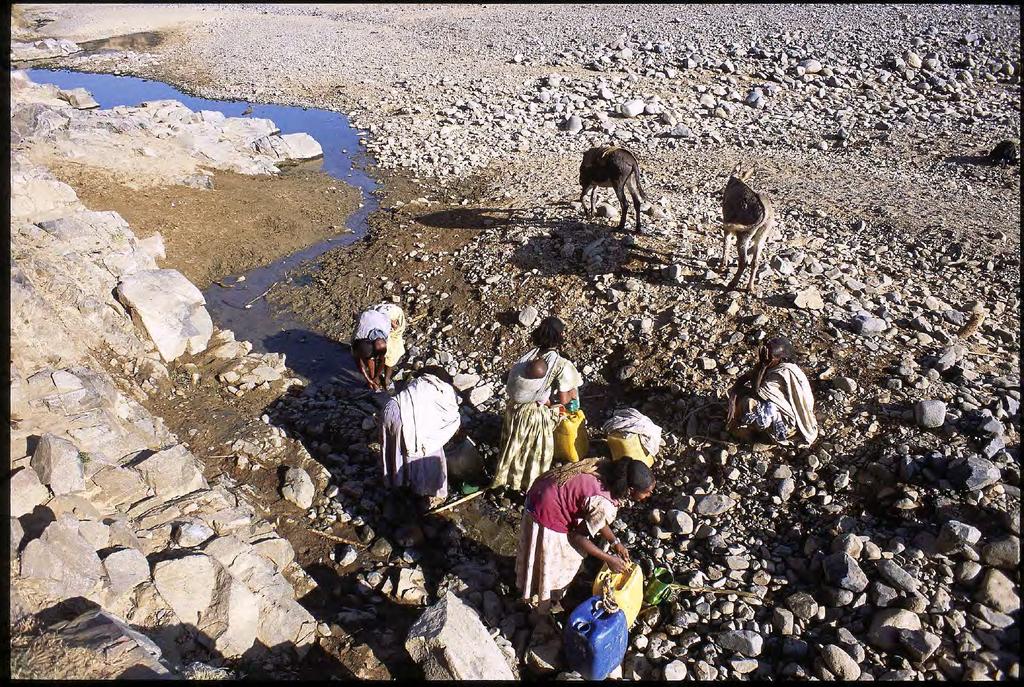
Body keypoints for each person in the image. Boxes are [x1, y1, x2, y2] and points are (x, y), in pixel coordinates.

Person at [517, 458, 655, 617]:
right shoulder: (605, 504)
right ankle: (545, 600)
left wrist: (615, 542)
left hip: (542, 490)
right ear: (630, 489)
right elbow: (576, 537)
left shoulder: (605, 469)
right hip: (546, 510)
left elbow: (594, 514)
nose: (649, 495)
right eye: (646, 492)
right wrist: (608, 559)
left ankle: (534, 581)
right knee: (565, 558)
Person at [491, 316, 584, 492]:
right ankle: (529, 486)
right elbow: (565, 400)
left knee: (513, 446)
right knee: (537, 452)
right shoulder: (560, 364)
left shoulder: (530, 355)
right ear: (561, 335)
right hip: (531, 415)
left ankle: (505, 479)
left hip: (514, 409)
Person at [379, 366, 460, 508]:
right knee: (428, 451)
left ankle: (397, 482)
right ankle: (427, 489)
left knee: (396, 450)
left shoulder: (418, 383)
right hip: (402, 420)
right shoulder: (446, 392)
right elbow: (452, 420)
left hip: (390, 408)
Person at [726, 336, 818, 446]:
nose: (765, 357)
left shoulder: (783, 372)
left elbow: (756, 392)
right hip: (778, 408)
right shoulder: (771, 366)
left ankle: (758, 435)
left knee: (748, 402)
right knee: (740, 395)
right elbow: (743, 379)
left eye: (770, 356)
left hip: (787, 422)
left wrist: (763, 366)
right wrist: (732, 400)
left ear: (781, 358)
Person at [352, 302, 406, 391]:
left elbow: (382, 359)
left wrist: (377, 376)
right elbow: (359, 361)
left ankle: (387, 380)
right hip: (373, 314)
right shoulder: (357, 337)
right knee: (370, 358)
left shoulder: (381, 342)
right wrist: (370, 380)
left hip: (393, 316)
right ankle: (375, 380)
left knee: (391, 354)